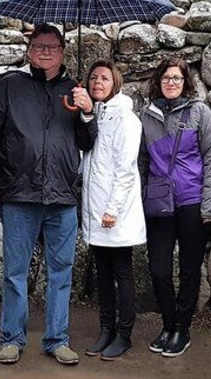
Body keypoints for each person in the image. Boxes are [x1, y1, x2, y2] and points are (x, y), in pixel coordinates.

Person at [0, 23, 97, 366]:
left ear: (62, 52)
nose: (45, 52)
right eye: (39, 46)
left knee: (62, 271)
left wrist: (88, 112)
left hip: (61, 197)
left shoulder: (76, 90)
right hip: (20, 194)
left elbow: (87, 144)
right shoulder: (11, 87)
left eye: (52, 47)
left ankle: (57, 339)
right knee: (15, 271)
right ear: (29, 51)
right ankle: (12, 337)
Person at [138, 57, 211, 358]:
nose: (171, 83)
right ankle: (168, 322)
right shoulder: (147, 115)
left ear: (186, 82)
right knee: (158, 269)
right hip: (160, 203)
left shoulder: (200, 112)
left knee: (189, 269)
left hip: (191, 202)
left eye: (176, 78)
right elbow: (142, 162)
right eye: (165, 78)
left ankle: (181, 329)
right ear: (158, 82)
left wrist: (209, 204)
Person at [80, 60, 146, 361]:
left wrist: (112, 209)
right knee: (102, 274)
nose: (97, 82)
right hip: (94, 211)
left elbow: (125, 169)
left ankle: (124, 333)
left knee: (123, 273)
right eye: (93, 78)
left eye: (104, 78)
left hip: (114, 213)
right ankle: (105, 329)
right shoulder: (93, 116)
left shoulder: (125, 119)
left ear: (115, 83)